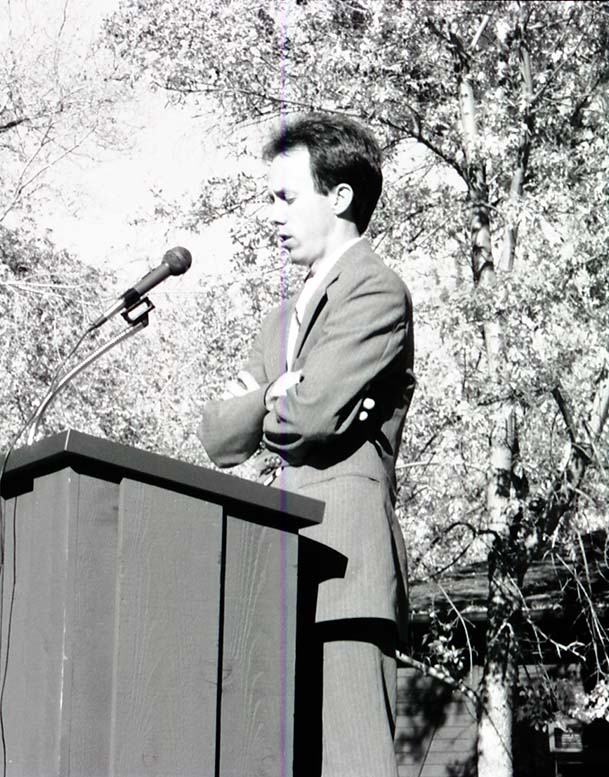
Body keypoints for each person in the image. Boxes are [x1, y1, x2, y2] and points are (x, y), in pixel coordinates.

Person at [197, 113, 415, 777]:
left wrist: (272, 400)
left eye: (286, 197)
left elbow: (312, 417)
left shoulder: (376, 290)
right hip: (277, 566)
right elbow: (218, 435)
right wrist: (273, 394)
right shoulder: (277, 320)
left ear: (340, 196)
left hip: (348, 566)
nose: (272, 215)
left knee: (353, 764)